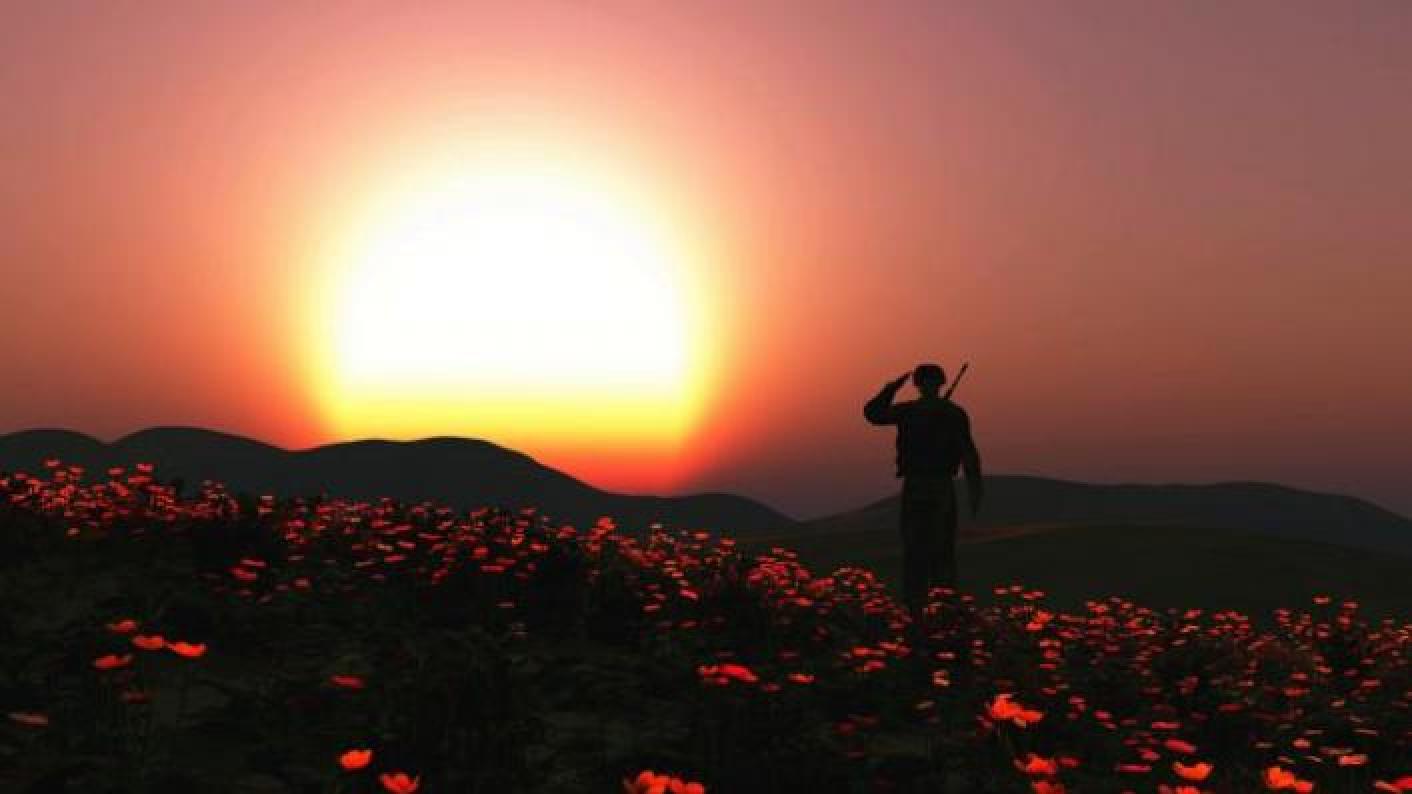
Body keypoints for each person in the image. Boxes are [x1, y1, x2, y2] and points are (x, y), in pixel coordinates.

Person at [863, 363, 983, 621]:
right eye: (926, 381)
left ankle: (936, 611)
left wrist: (975, 489)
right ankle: (921, 611)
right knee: (919, 550)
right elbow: (873, 415)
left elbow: (968, 453)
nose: (929, 386)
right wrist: (890, 389)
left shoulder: (940, 413)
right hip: (922, 486)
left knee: (936, 550)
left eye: (930, 381)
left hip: (933, 487)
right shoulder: (933, 412)